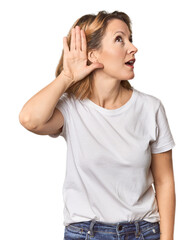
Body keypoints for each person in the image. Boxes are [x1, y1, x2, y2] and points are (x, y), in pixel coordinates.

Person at [19, 10, 176, 240]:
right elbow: (29, 120)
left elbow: (164, 182)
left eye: (130, 39)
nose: (133, 48)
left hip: (144, 232)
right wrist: (67, 77)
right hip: (85, 234)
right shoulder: (71, 109)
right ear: (93, 55)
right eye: (120, 39)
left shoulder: (150, 108)